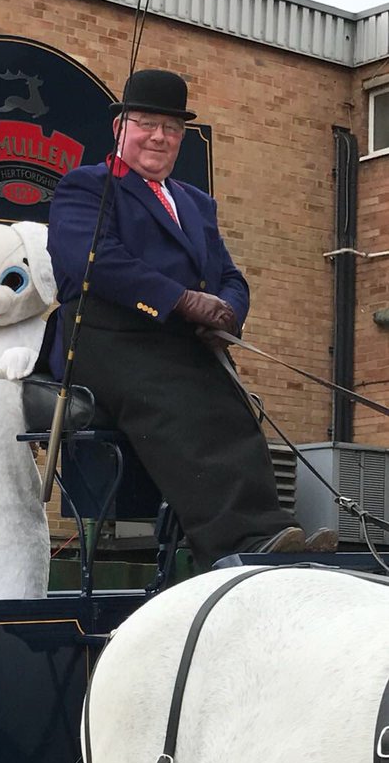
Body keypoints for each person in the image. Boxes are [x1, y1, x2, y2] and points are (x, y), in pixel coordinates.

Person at [46, 68, 336, 567]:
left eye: (172, 128)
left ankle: (265, 531)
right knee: (181, 402)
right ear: (119, 127)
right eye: (146, 123)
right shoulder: (86, 186)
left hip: (180, 342)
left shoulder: (196, 203)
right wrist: (180, 300)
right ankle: (233, 544)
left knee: (237, 406)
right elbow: (94, 260)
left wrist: (228, 311)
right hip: (106, 337)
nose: (159, 136)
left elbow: (230, 276)